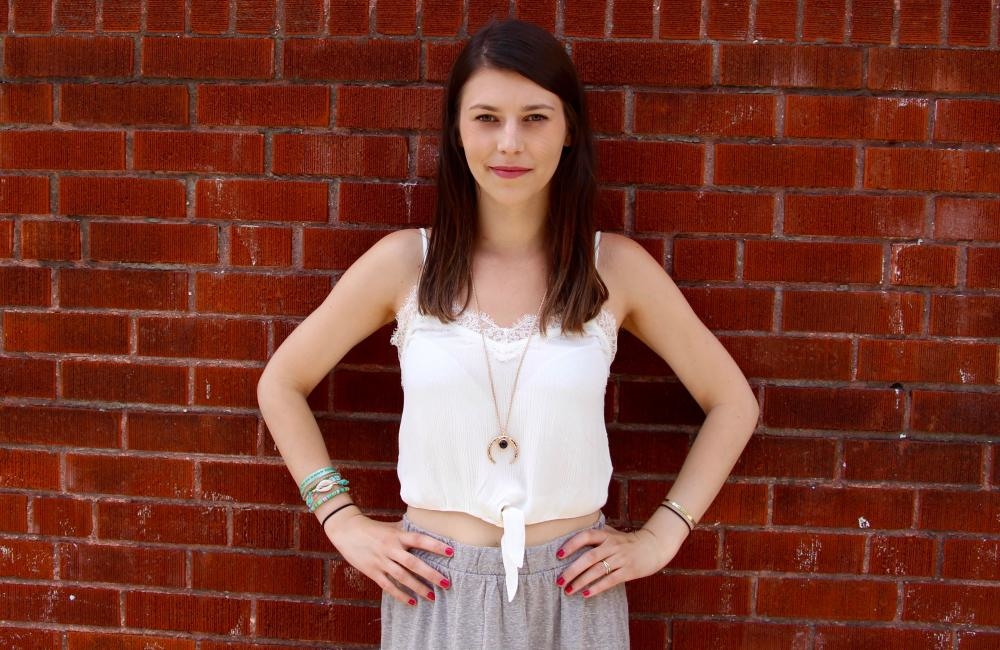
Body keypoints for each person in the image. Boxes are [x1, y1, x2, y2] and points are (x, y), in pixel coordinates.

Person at [256, 18, 758, 650]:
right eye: (487, 118)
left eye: (535, 118)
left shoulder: (614, 269)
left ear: (569, 130)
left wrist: (662, 535)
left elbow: (732, 403)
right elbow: (281, 383)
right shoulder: (406, 265)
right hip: (436, 594)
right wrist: (341, 519)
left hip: (573, 597)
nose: (510, 143)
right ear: (457, 130)